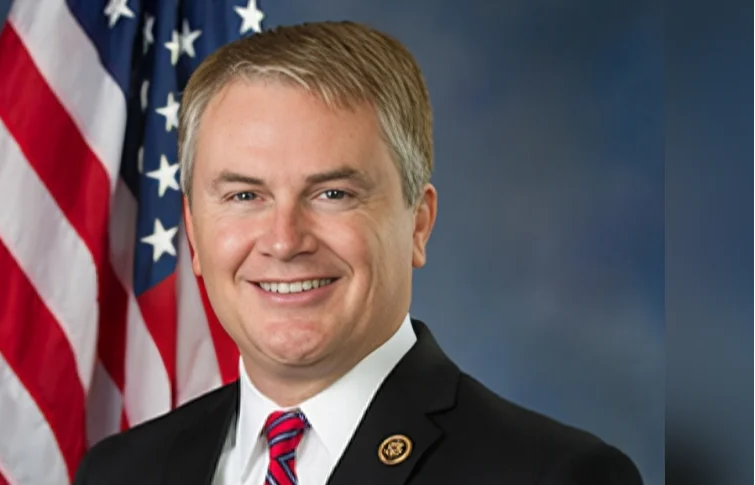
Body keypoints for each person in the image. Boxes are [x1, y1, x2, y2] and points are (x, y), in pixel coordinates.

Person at [73, 21, 643, 485]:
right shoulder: (120, 473)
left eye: (333, 194)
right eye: (245, 195)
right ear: (194, 234)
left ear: (418, 223)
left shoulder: (555, 476)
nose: (283, 240)